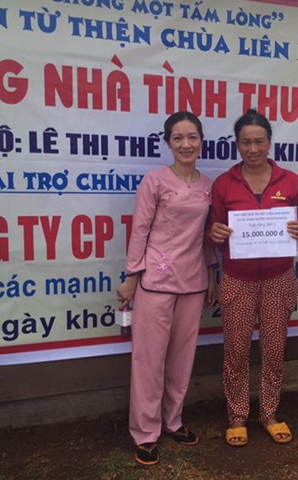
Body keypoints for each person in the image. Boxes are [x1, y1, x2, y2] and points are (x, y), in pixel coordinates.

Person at [207, 109, 298, 447]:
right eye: (245, 142)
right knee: (236, 351)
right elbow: (213, 231)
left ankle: (269, 413)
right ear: (237, 145)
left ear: (269, 142)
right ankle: (237, 415)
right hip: (237, 278)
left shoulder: (290, 181)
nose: (252, 148)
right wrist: (216, 233)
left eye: (259, 141)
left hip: (278, 278)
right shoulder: (224, 183)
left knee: (274, 348)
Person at [116, 111, 217, 466]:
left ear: (201, 141)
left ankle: (173, 421)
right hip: (156, 282)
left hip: (193, 282)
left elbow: (206, 236)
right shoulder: (154, 182)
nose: (186, 144)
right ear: (168, 143)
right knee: (149, 360)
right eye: (178, 138)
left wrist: (212, 274)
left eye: (192, 137)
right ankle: (145, 433)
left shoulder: (208, 186)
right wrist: (132, 277)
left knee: (181, 359)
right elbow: (140, 230)